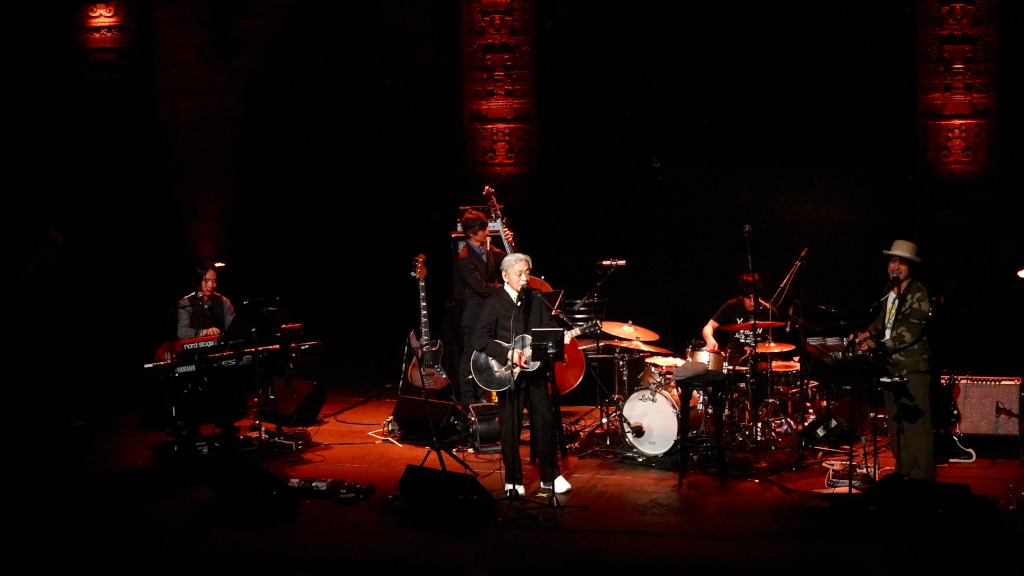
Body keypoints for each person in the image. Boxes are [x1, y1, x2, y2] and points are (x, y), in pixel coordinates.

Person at [472, 254, 571, 497]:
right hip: (507, 376)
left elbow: (549, 329)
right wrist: (507, 353)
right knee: (510, 429)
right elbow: (479, 338)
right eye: (519, 273)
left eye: (527, 272)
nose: (525, 278)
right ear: (505, 275)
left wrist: (560, 339)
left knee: (545, 425)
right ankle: (513, 480)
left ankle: (550, 476)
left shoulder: (536, 298)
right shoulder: (494, 301)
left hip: (536, 374)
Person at [852, 240, 934, 482]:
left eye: (901, 262)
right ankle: (903, 470)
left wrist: (874, 344)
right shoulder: (890, 291)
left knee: (915, 424)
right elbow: (882, 321)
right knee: (896, 422)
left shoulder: (918, 292)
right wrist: (865, 334)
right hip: (891, 366)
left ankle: (922, 476)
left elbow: (910, 332)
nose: (895, 266)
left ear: (910, 267)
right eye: (892, 261)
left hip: (912, 367)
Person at [455, 209, 507, 407]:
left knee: (487, 356)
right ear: (471, 233)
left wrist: (508, 242)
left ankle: (484, 396)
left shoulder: (488, 248)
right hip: (475, 315)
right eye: (482, 229)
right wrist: (506, 287)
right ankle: (468, 401)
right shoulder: (465, 257)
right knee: (470, 357)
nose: (487, 231)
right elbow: (481, 288)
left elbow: (509, 260)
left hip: (491, 313)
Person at [701, 273, 779, 366]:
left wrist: (760, 349)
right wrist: (709, 338)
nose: (753, 302)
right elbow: (709, 326)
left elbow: (773, 343)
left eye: (756, 298)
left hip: (759, 363)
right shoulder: (731, 306)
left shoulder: (769, 312)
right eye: (749, 298)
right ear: (741, 296)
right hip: (733, 360)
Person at [177, 260, 235, 340]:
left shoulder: (224, 301)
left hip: (220, 345)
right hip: (196, 346)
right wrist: (204, 332)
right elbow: (182, 332)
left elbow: (233, 328)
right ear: (198, 280)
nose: (211, 285)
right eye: (206, 281)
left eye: (214, 281)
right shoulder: (186, 302)